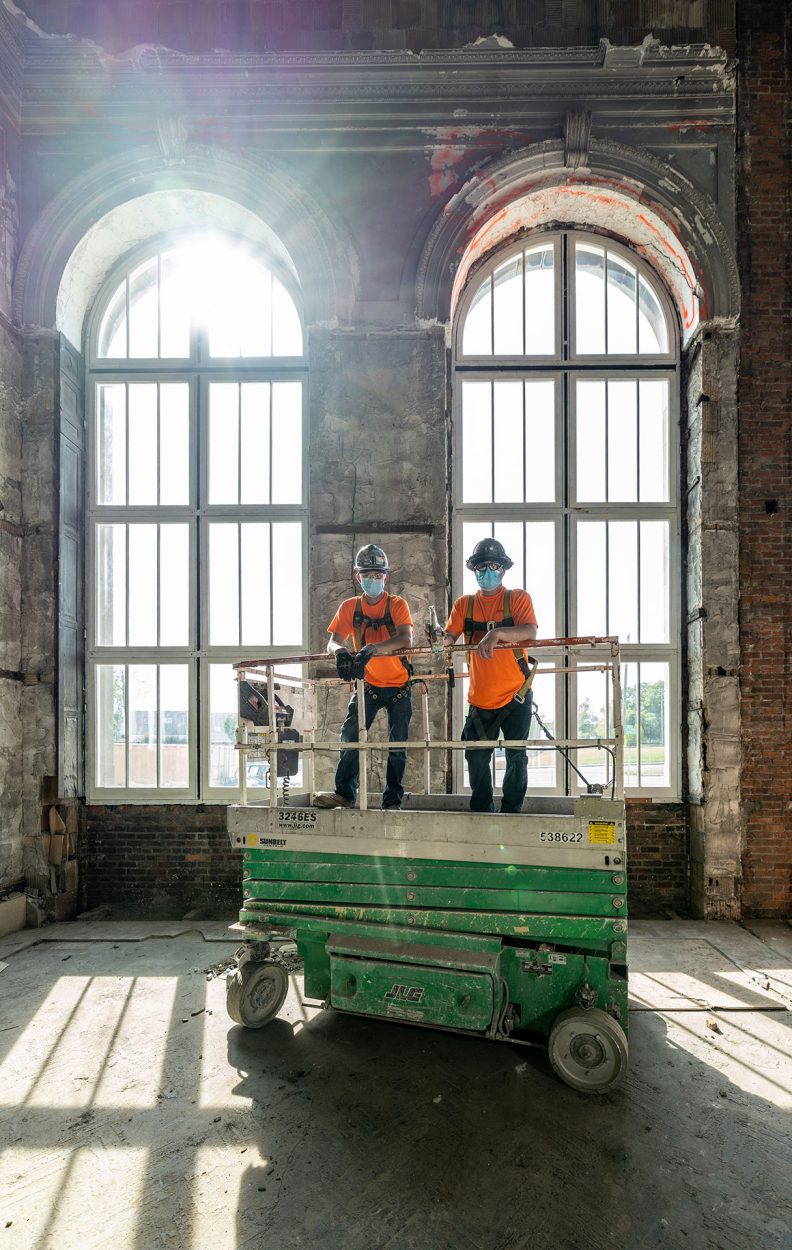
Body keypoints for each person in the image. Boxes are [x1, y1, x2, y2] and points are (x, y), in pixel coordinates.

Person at [442, 537, 538, 814]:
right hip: (481, 699)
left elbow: (530, 631)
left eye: (492, 566)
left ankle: (511, 811)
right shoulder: (464, 605)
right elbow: (448, 637)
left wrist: (496, 633)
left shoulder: (517, 599)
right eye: (481, 567)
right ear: (474, 570)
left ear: (503, 570)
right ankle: (482, 809)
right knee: (475, 754)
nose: (486, 572)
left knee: (516, 756)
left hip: (515, 695)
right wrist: (440, 638)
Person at [315, 544, 413, 810]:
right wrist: (340, 653)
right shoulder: (350, 608)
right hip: (368, 685)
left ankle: (392, 800)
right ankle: (345, 794)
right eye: (367, 575)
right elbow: (332, 641)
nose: (373, 580)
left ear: (386, 577)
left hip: (399, 686)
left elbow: (405, 638)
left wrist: (374, 649)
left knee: (398, 745)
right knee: (350, 737)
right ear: (358, 578)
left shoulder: (396, 605)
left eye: (377, 575)